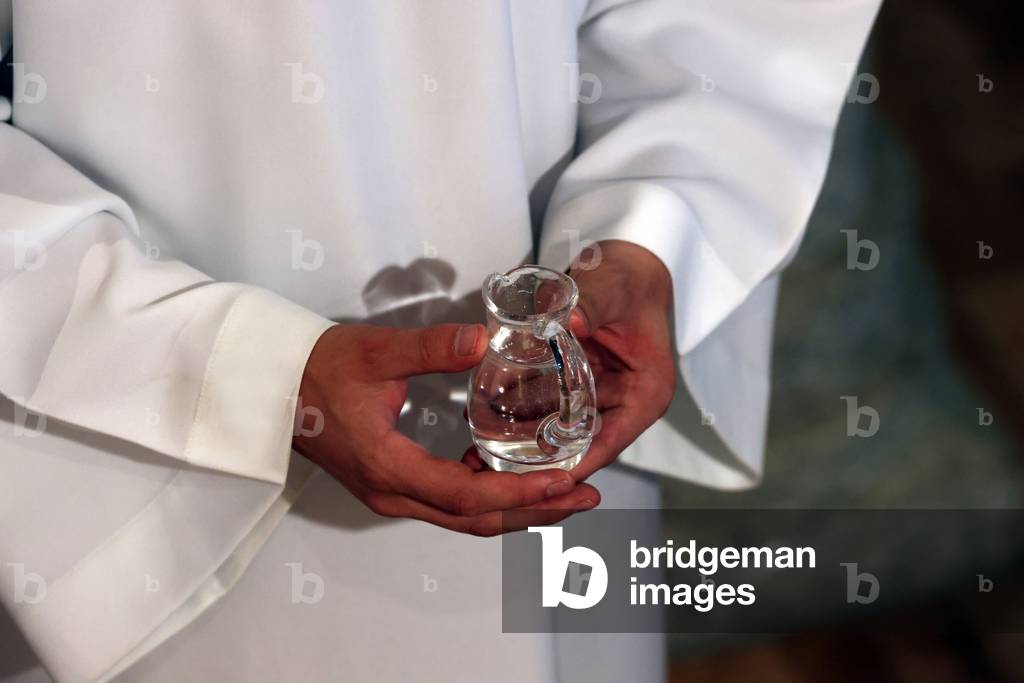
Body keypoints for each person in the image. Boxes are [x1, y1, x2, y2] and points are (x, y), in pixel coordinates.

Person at [0, 1, 881, 681]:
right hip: (134, 458)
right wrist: (232, 371)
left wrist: (651, 230)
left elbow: (720, 25)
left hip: (570, 393)